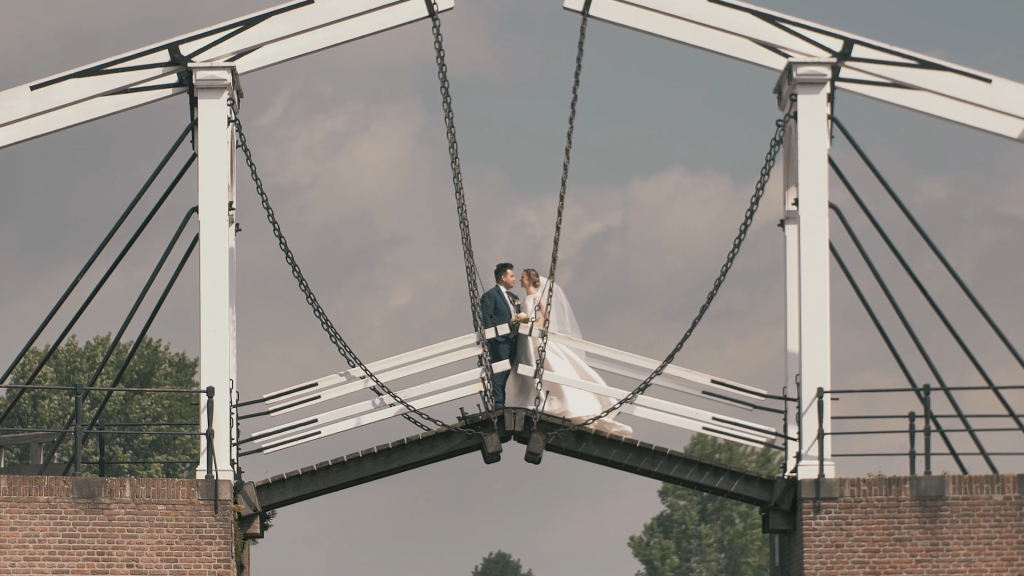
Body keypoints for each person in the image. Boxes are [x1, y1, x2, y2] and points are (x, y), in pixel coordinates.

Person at [504, 268, 632, 437]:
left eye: (522, 278)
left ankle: (562, 402)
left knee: (548, 367)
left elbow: (546, 320)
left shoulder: (537, 297)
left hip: (534, 339)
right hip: (525, 341)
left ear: (528, 280)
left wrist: (530, 326)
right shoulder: (525, 299)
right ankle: (532, 399)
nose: (520, 280)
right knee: (529, 370)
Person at [480, 262, 522, 409]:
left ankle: (502, 404)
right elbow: (486, 318)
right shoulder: (490, 295)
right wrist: (494, 338)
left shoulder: (513, 296)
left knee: (505, 375)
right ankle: (498, 406)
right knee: (498, 375)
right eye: (512, 276)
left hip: (512, 341)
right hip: (500, 341)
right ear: (503, 277)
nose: (514, 279)